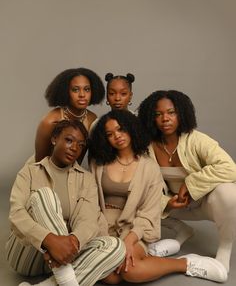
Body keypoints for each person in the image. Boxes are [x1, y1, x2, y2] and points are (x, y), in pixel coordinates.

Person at [88, 109, 227, 283]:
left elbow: (149, 211)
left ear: (131, 129)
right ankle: (152, 254)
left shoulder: (149, 167)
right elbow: (90, 204)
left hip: (133, 227)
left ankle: (185, 263)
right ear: (105, 138)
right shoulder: (98, 163)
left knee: (129, 271)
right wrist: (105, 239)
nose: (117, 136)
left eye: (121, 129)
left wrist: (129, 241)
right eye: (110, 134)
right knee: (110, 279)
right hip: (100, 226)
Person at [6, 120, 125, 286]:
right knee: (44, 196)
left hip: (65, 256)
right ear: (55, 139)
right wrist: (49, 240)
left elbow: (88, 220)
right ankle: (67, 279)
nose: (74, 148)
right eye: (69, 140)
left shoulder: (86, 179)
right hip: (29, 255)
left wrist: (73, 242)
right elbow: (16, 214)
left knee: (116, 246)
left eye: (81, 145)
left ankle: (53, 282)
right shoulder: (30, 171)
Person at [138, 89, 236, 278]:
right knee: (132, 198)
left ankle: (224, 248)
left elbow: (230, 168)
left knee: (229, 193)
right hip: (174, 207)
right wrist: (166, 202)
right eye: (158, 114)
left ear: (181, 114)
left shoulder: (196, 139)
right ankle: (181, 230)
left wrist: (190, 185)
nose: (165, 118)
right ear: (151, 118)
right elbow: (143, 184)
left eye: (171, 112)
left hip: (206, 204)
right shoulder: (147, 147)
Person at [34, 67, 105, 162]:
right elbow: (40, 162)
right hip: (43, 171)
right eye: (75, 90)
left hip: (70, 172)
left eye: (87, 89)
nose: (82, 95)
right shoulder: (50, 121)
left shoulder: (92, 119)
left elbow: (78, 160)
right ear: (65, 92)